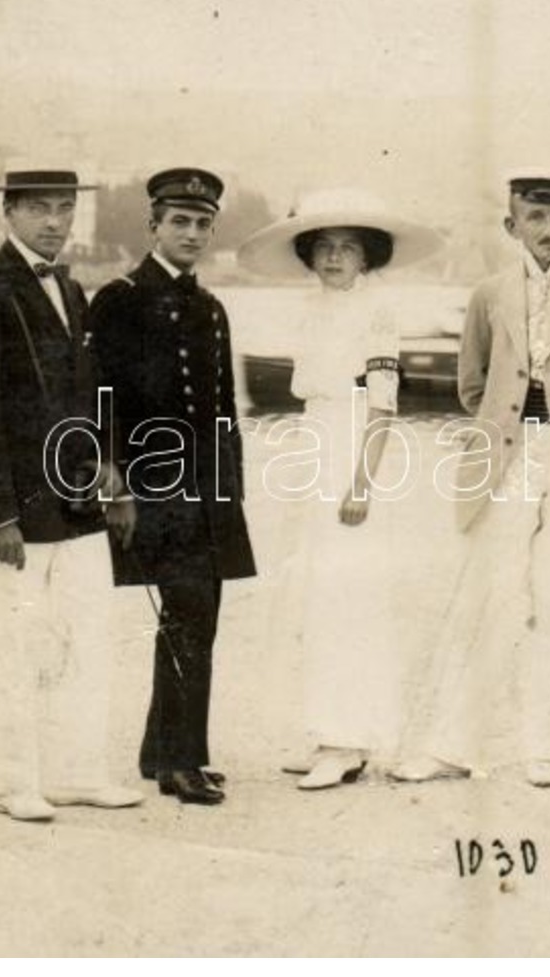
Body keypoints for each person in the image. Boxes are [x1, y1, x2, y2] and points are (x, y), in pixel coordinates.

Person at [392, 172, 550, 789]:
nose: (549, 231)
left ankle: (544, 745)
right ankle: (450, 744)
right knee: (489, 598)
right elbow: (474, 386)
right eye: (534, 218)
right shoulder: (490, 294)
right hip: (507, 456)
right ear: (511, 225)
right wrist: (508, 429)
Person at [0, 168, 144, 821]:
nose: (55, 221)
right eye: (39, 210)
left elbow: (87, 393)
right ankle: (13, 781)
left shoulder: (73, 289)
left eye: (64, 209)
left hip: (79, 498)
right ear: (9, 213)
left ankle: (77, 771)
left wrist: (111, 469)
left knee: (87, 635)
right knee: (14, 644)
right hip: (17, 507)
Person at [235, 189, 442, 790]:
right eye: (323, 248)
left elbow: (383, 409)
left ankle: (349, 740)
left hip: (353, 451)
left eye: (347, 249)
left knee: (351, 599)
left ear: (367, 257)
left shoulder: (376, 314)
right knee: (315, 595)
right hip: (314, 447)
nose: (334, 259)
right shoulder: (314, 310)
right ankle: (329, 731)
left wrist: (361, 484)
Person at [86, 167, 257, 806]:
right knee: (186, 615)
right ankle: (179, 760)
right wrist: (111, 480)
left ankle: (166, 753)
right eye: (179, 222)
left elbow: (223, 412)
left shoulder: (211, 309)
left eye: (202, 223)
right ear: (152, 226)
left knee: (197, 618)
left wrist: (232, 490)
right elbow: (98, 398)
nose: (191, 233)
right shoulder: (120, 299)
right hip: (151, 486)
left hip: (209, 493)